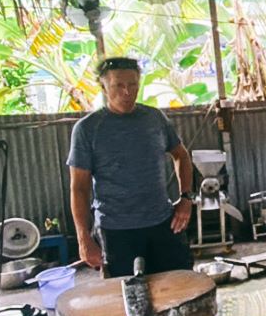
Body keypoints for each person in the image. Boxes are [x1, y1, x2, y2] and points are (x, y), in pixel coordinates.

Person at [67, 57, 194, 278]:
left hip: (163, 224)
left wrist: (186, 199)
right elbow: (79, 188)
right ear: (104, 87)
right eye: (118, 85)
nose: (127, 92)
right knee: (126, 297)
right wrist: (83, 238)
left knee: (179, 290)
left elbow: (181, 156)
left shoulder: (154, 118)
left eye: (133, 84)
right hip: (116, 232)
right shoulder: (87, 129)